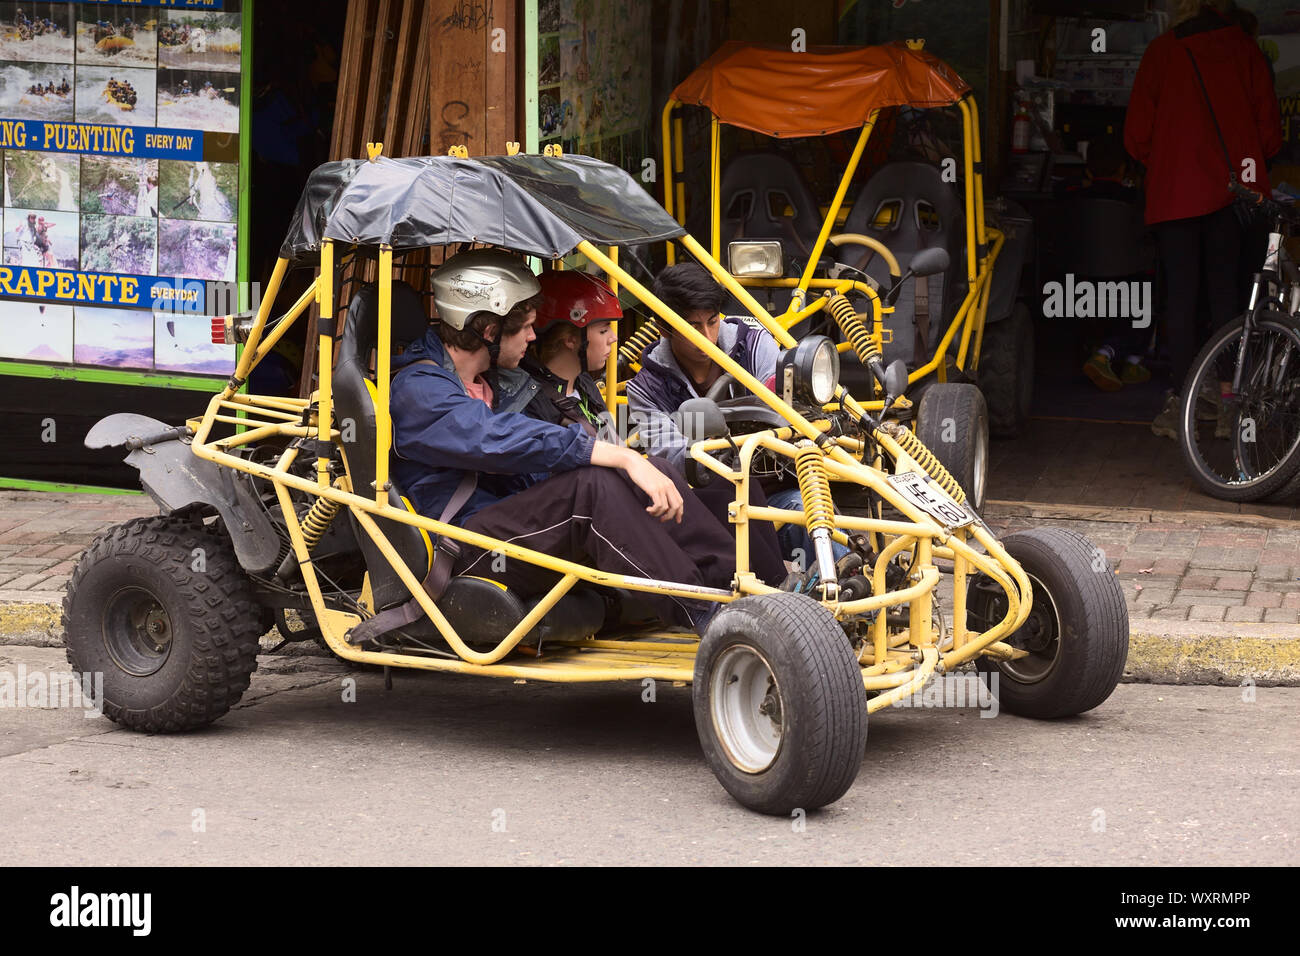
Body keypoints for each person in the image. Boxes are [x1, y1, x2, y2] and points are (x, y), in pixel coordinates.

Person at [388, 250, 737, 630]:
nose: (533, 337)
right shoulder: (418, 389)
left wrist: (630, 463)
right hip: (464, 547)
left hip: (512, 525)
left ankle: (737, 588)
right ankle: (707, 616)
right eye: (524, 327)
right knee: (594, 486)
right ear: (488, 331)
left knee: (658, 468)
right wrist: (613, 456)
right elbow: (492, 437)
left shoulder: (490, 383)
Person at [523, 269, 788, 587]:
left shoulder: (584, 387)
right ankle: (747, 590)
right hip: (591, 511)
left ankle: (775, 584)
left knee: (731, 488)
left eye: (713, 321)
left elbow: (612, 443)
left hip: (775, 472)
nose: (614, 339)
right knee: (702, 482)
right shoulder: (536, 399)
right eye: (605, 329)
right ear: (571, 338)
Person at [1125, 0, 1281, 438]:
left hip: (1176, 196)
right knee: (1228, 299)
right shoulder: (1246, 50)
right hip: (1234, 198)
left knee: (1180, 302)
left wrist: (1171, 164)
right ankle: (1229, 406)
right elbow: (1269, 135)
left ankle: (1184, 404)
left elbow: (1136, 135)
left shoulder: (1161, 51)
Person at [627, 262, 844, 571]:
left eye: (713, 321)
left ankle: (853, 599)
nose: (707, 337)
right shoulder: (646, 387)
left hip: (775, 490)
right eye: (693, 327)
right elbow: (672, 456)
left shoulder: (754, 344)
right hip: (705, 507)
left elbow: (786, 412)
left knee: (814, 519)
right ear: (665, 329)